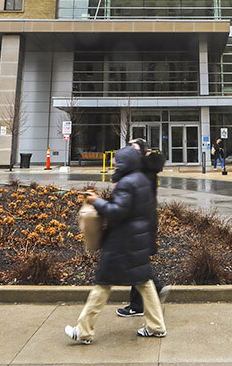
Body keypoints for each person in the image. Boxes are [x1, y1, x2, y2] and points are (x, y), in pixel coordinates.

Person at [65, 145, 166, 344]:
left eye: (116, 163)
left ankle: (83, 331)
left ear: (124, 163)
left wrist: (96, 202)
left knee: (102, 285)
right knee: (145, 283)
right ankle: (156, 327)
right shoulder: (142, 179)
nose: (113, 167)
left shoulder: (127, 183)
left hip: (121, 243)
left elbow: (118, 211)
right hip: (136, 241)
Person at [117, 138, 165, 318]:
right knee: (138, 263)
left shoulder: (145, 171)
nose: (131, 152)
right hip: (142, 222)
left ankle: (138, 305)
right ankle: (149, 293)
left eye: (135, 148)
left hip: (142, 223)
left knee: (137, 264)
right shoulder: (143, 169)